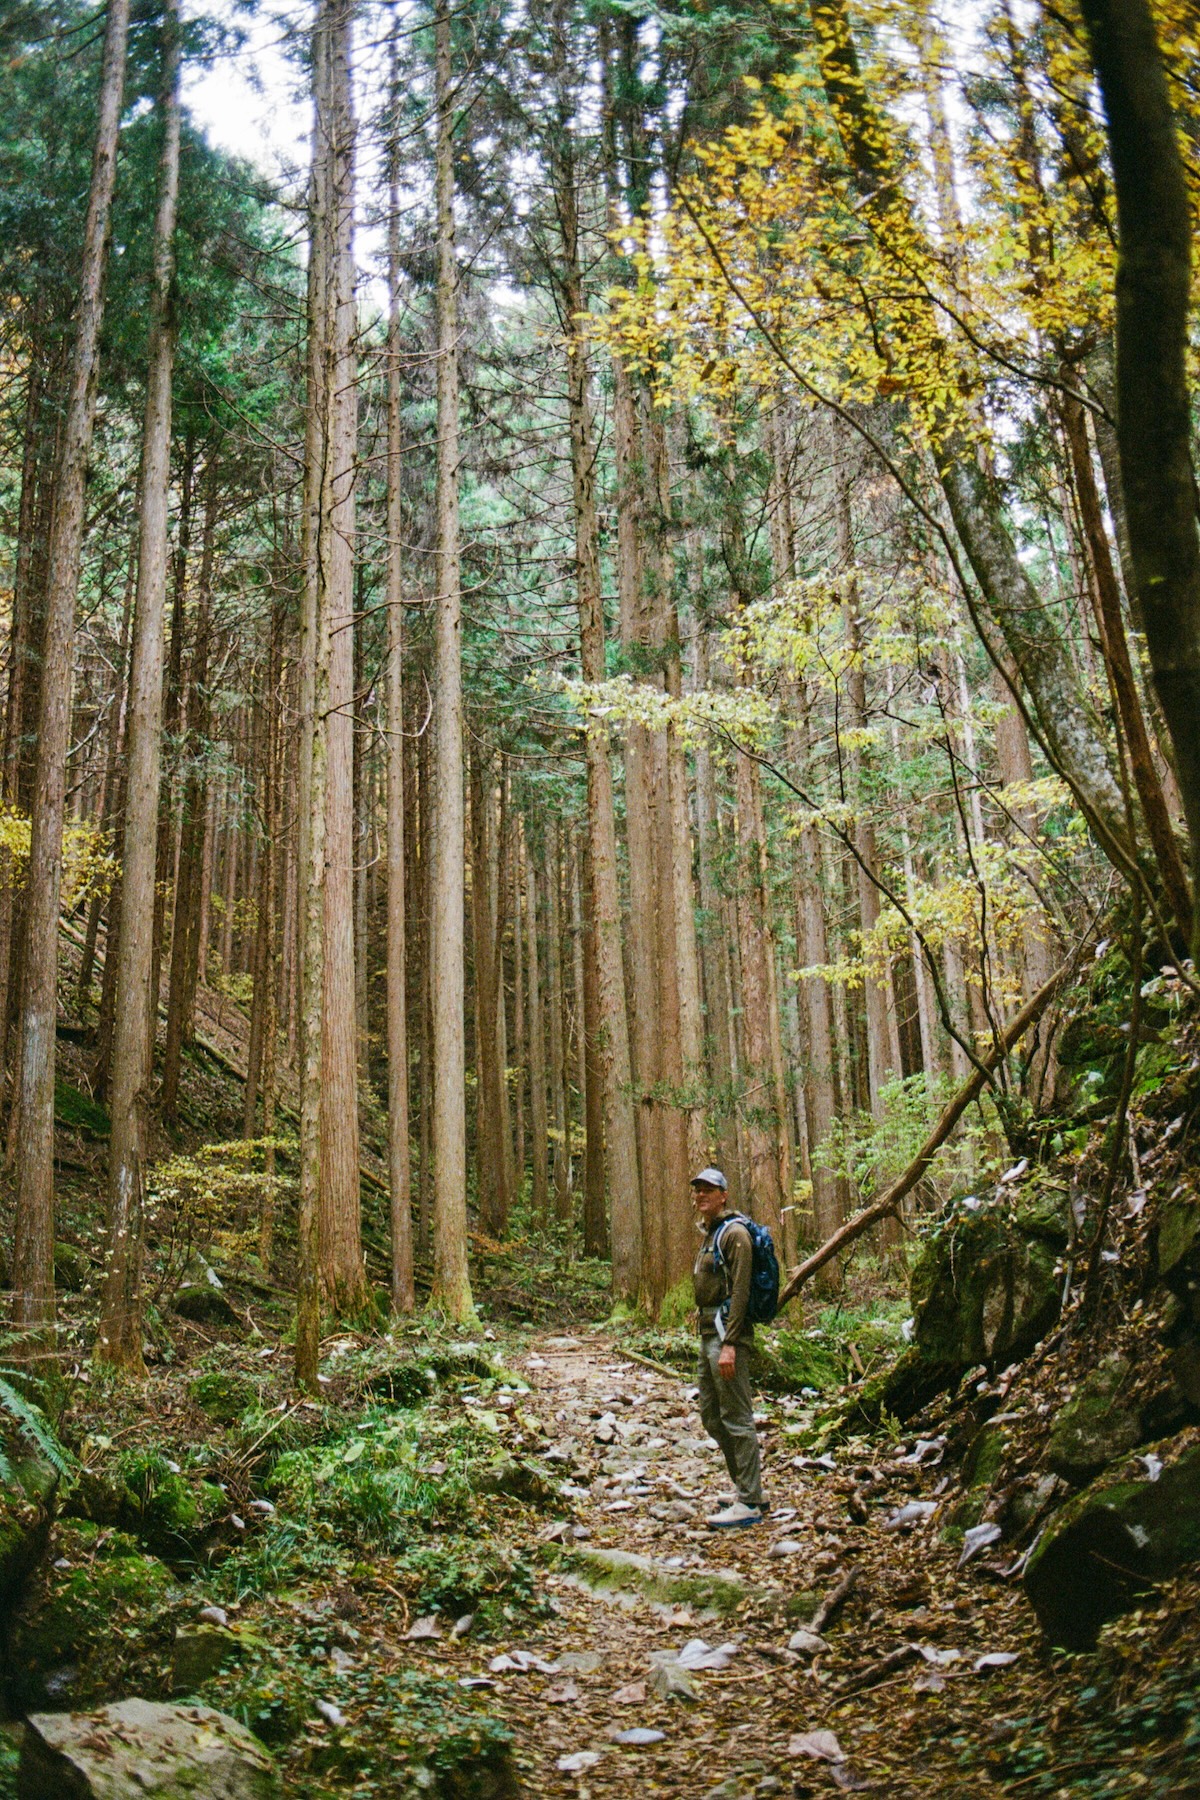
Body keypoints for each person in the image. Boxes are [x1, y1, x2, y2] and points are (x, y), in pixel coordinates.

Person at [690, 1167, 766, 1528]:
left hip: (725, 1334)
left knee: (737, 1418)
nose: (701, 1196)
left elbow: (741, 1292)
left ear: (724, 1195)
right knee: (710, 1415)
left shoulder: (734, 1235)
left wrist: (732, 1344)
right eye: (698, 1191)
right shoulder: (712, 1234)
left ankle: (750, 1502)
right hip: (708, 1333)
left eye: (709, 1190)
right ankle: (746, 1488)